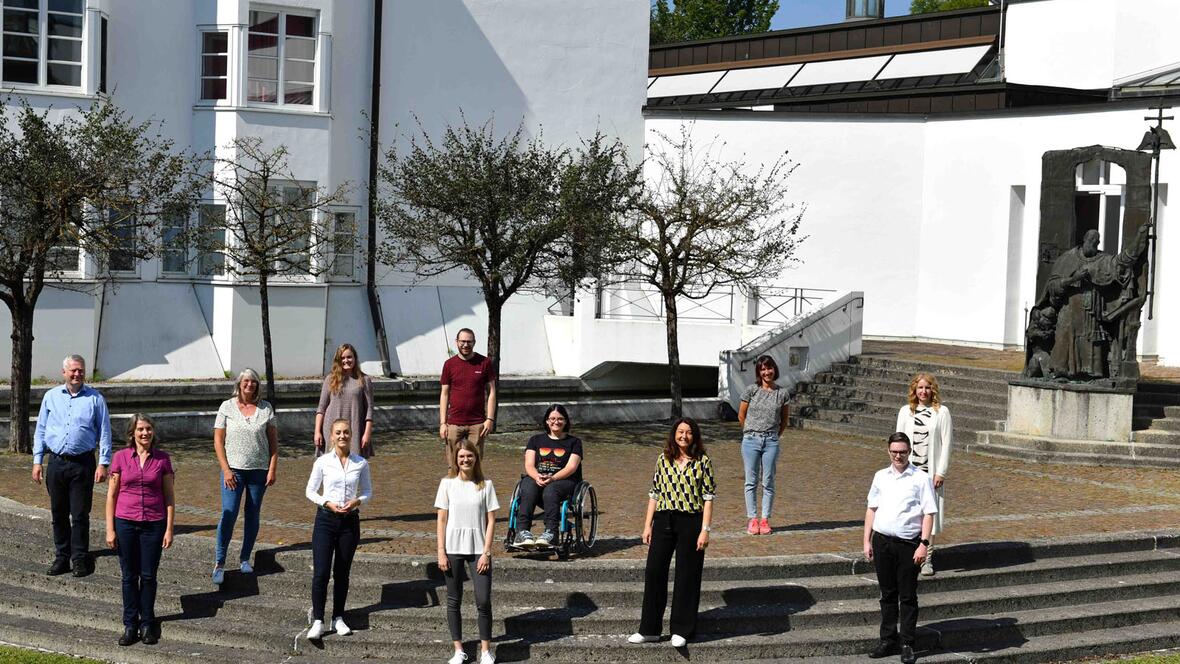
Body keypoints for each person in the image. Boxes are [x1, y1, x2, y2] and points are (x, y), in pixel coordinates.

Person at [629, 417, 715, 649]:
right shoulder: (663, 459)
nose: (683, 436)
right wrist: (647, 525)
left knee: (687, 575)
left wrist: (705, 530)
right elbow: (654, 493)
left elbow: (708, 498)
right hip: (664, 520)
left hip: (691, 521)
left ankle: (681, 629)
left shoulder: (702, 461)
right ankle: (649, 629)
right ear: (673, 434)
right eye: (680, 431)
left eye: (688, 432)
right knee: (654, 571)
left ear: (694, 436)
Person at [32, 354, 112, 578]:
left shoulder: (95, 399)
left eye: (81, 370)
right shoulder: (50, 397)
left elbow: (105, 432)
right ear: (64, 372)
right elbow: (40, 431)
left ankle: (79, 557)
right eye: (73, 370)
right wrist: (37, 461)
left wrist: (104, 463)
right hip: (56, 463)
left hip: (82, 464)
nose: (77, 374)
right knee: (58, 513)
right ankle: (61, 556)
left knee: (79, 514)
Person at [863, 432, 937, 664]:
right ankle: (888, 639)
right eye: (894, 451)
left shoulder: (920, 478)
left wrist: (924, 545)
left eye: (902, 452)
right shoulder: (880, 476)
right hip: (883, 541)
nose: (898, 456)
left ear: (909, 452)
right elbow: (871, 509)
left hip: (908, 545)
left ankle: (907, 642)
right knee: (887, 594)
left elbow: (929, 513)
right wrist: (866, 540)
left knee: (907, 595)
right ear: (888, 451)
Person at [105, 414, 175, 647]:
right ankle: (130, 624)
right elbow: (111, 495)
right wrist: (110, 529)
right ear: (132, 433)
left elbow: (169, 497)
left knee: (148, 576)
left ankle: (147, 623)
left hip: (153, 523)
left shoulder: (162, 459)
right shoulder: (120, 457)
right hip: (125, 522)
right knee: (128, 576)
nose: (145, 433)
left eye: (148, 429)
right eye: (140, 429)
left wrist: (169, 529)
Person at [304, 418, 372, 640]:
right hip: (325, 520)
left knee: (342, 573)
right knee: (321, 573)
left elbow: (368, 492)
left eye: (346, 433)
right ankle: (318, 620)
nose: (342, 436)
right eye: (338, 433)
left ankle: (338, 617)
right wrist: (326, 502)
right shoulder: (322, 462)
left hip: (349, 522)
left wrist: (357, 502)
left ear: (351, 435)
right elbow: (310, 491)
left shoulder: (360, 463)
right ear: (331, 436)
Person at [212, 368, 278, 585]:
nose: (250, 385)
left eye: (254, 382)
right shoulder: (227, 407)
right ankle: (220, 562)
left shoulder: (266, 408)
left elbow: (274, 444)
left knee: (252, 514)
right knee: (228, 513)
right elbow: (218, 442)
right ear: (239, 384)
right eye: (246, 381)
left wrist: (272, 468)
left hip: (258, 471)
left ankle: (245, 558)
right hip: (234, 471)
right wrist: (226, 470)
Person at [435, 440, 499, 664]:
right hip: (452, 548)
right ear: (455, 459)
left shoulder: (486, 485)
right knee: (454, 600)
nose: (465, 460)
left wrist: (487, 552)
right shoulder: (446, 484)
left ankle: (485, 651)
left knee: (483, 600)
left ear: (476, 458)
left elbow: (491, 521)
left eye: (469, 456)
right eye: (461, 456)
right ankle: (458, 649)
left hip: (478, 550)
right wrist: (441, 551)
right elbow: (441, 519)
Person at [893, 372, 952, 577]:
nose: (923, 391)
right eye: (920, 388)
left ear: (932, 390)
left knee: (930, 514)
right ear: (914, 390)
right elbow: (898, 442)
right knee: (910, 512)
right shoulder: (905, 412)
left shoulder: (942, 412)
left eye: (927, 388)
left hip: (930, 472)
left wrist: (941, 471)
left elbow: (946, 445)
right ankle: (909, 555)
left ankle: (927, 558)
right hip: (910, 472)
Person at [513, 404, 584, 549]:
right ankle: (522, 532)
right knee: (527, 487)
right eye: (552, 418)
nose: (556, 422)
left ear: (565, 421)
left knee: (551, 490)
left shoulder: (574, 442)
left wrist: (553, 478)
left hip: (565, 480)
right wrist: (537, 477)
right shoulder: (535, 440)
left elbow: (571, 467)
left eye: (560, 419)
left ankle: (551, 532)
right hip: (538, 477)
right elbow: (529, 464)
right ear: (546, 421)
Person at [738, 355, 789, 535]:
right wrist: (750, 432)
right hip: (751, 440)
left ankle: (765, 519)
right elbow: (741, 415)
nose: (767, 372)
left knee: (768, 481)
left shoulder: (782, 393)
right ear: (759, 372)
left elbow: (784, 419)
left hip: (771, 441)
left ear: (774, 369)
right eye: (763, 369)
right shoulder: (751, 390)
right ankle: (753, 519)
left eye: (769, 368)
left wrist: (774, 436)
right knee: (751, 481)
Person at [439, 328, 497, 474]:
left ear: (474, 342)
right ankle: (453, 494)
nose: (465, 345)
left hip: (477, 423)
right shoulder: (449, 364)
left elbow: (492, 392)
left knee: (474, 465)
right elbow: (444, 394)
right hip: (453, 423)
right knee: (453, 465)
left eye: (469, 342)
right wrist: (442, 423)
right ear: (456, 342)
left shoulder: (484, 363)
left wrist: (490, 419)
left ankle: (475, 493)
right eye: (462, 341)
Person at [314, 343, 375, 458]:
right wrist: (317, 431)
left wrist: (367, 434)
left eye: (349, 357)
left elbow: (369, 412)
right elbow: (321, 408)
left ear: (355, 358)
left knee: (353, 467)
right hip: (332, 430)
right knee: (332, 466)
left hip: (355, 430)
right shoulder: (330, 379)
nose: (346, 360)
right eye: (343, 358)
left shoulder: (364, 380)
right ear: (338, 360)